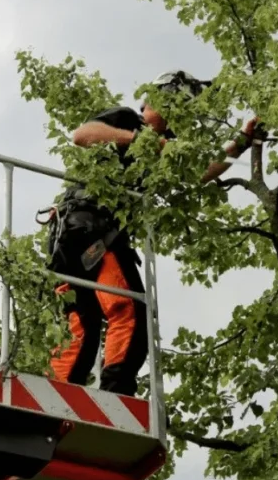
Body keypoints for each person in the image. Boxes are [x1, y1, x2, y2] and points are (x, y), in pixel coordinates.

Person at [43, 70, 262, 397]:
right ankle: (116, 399)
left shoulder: (163, 150)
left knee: (82, 327)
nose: (174, 112)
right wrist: (141, 140)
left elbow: (202, 172)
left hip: (83, 239)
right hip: (88, 226)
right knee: (128, 310)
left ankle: (52, 399)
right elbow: (83, 135)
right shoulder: (126, 119)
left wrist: (242, 142)